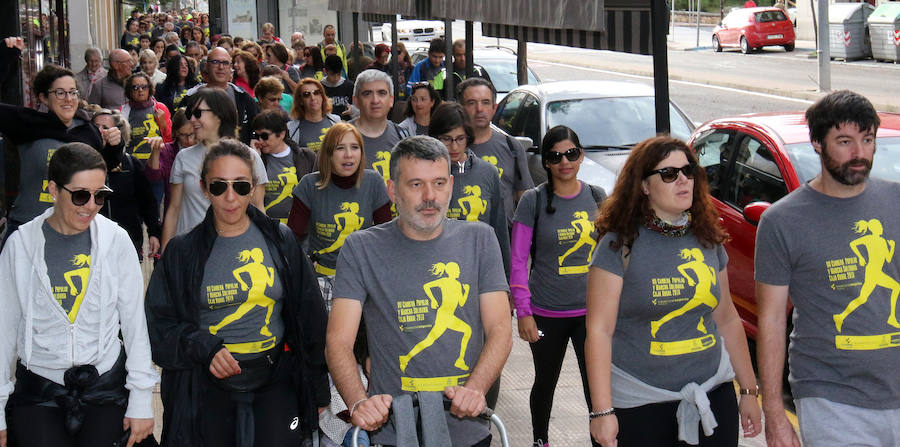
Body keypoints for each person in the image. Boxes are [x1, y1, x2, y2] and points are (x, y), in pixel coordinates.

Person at [326, 136, 512, 446]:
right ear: (392, 190)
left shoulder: (480, 239)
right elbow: (338, 340)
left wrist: (476, 389)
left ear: (451, 185)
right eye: (416, 185)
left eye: (439, 183)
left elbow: (500, 327)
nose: (430, 196)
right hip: (394, 431)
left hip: (468, 429)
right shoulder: (361, 248)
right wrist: (359, 402)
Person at [145, 139, 329, 447]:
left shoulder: (280, 240)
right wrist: (204, 346)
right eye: (219, 187)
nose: (230, 197)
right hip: (206, 386)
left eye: (241, 186)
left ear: (255, 186)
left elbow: (309, 316)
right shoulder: (182, 251)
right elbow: (156, 324)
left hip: (275, 380)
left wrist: (317, 388)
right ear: (204, 189)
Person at [585, 136, 761, 446]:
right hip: (641, 403)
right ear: (644, 186)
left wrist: (748, 391)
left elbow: (727, 318)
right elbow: (599, 331)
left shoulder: (707, 235)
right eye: (669, 174)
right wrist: (601, 412)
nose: (683, 180)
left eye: (688, 170)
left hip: (712, 394)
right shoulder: (618, 244)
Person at [755, 90, 900, 447]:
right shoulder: (782, 221)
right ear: (817, 143)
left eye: (867, 140)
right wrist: (774, 412)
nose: (859, 154)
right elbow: (771, 321)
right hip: (831, 397)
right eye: (845, 142)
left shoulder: (895, 200)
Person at [0, 142, 158, 447]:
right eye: (81, 195)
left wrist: (141, 399)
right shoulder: (20, 246)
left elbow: (136, 325)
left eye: (100, 195)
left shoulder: (116, 240)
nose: (91, 205)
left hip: (105, 385)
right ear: (53, 190)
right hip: (40, 388)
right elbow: (4, 333)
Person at [509, 126, 606, 447]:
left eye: (571, 154)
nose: (565, 161)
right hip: (546, 313)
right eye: (555, 156)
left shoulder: (596, 197)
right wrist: (523, 312)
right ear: (547, 162)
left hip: (591, 316)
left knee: (597, 388)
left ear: (581, 155)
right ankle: (541, 441)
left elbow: (611, 256)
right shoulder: (533, 201)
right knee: (545, 382)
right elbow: (519, 260)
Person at [0, 64, 123, 246]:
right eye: (60, 93)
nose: (68, 99)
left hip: (75, 228)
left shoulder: (88, 130)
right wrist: (6, 58)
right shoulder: (27, 124)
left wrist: (116, 146)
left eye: (73, 92)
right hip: (27, 225)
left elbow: (105, 169)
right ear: (43, 97)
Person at [287, 122, 391, 303]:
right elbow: (292, 240)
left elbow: (386, 238)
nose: (348, 155)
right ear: (328, 153)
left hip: (363, 278)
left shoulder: (374, 182)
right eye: (340, 148)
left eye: (354, 147)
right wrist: (305, 266)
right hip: (321, 279)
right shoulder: (309, 185)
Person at [160, 88, 268, 250]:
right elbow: (174, 210)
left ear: (219, 115)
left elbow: (258, 208)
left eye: (198, 113)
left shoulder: (249, 157)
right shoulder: (183, 157)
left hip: (235, 250)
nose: (192, 119)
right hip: (191, 251)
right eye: (190, 113)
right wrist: (166, 256)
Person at [428, 102, 508, 275]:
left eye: (460, 138)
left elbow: (499, 229)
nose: (454, 146)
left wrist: (506, 278)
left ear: (468, 137)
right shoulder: (426, 173)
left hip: (482, 267)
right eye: (447, 139)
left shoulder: (488, 172)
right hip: (441, 267)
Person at [459, 77, 534, 229]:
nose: (479, 109)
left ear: (494, 108)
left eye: (485, 102)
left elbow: (525, 201)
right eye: (472, 103)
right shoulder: (448, 149)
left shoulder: (512, 146)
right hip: (460, 240)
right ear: (460, 107)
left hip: (502, 240)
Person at [91, 109, 162, 259]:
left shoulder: (131, 163)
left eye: (105, 127)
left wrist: (154, 233)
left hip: (128, 240)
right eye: (96, 127)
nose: (100, 131)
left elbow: (147, 201)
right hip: (93, 241)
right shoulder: (84, 164)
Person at [183, 47, 260, 145]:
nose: (221, 67)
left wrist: (254, 138)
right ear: (206, 66)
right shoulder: (191, 97)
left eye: (225, 63)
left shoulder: (242, 97)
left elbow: (258, 125)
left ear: (231, 67)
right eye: (215, 62)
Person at [252, 110, 316, 224]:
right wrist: (255, 158)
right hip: (269, 226)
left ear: (281, 134)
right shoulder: (256, 159)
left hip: (300, 227)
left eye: (264, 136)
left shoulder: (306, 157)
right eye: (257, 136)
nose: (260, 141)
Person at [349, 69, 409, 185]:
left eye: (382, 93)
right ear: (356, 101)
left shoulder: (403, 136)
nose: (375, 100)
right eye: (367, 94)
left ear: (391, 100)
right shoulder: (338, 137)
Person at [146, 107, 195, 221]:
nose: (189, 141)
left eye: (192, 134)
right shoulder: (168, 150)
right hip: (175, 216)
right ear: (176, 133)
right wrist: (156, 150)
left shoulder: (206, 150)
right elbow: (153, 175)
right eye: (183, 135)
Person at [122, 72, 172, 162]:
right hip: (132, 162)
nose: (140, 90)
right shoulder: (123, 111)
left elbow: (170, 139)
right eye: (135, 87)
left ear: (149, 89)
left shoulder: (160, 108)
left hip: (157, 161)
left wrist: (163, 124)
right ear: (130, 91)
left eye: (144, 87)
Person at [287, 78, 340, 153]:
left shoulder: (336, 121)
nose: (313, 98)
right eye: (306, 94)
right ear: (301, 101)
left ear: (322, 96)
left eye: (316, 92)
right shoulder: (291, 128)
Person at [322, 54, 353, 120]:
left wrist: (352, 110)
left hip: (346, 123)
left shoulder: (349, 86)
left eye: (338, 74)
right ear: (325, 71)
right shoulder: (320, 87)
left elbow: (357, 105)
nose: (336, 78)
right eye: (332, 75)